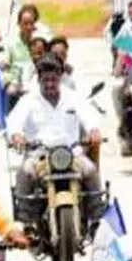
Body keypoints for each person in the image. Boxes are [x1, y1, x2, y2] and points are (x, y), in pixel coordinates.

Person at [7, 55, 104, 198]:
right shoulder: (28, 100)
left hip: (72, 155)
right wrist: (17, 136)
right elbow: (14, 120)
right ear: (39, 79)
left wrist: (94, 131)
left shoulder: (73, 97)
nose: (50, 84)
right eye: (45, 80)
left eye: (53, 79)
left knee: (90, 171)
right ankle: (26, 215)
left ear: (60, 78)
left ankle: (95, 211)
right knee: (25, 173)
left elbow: (89, 115)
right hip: (39, 157)